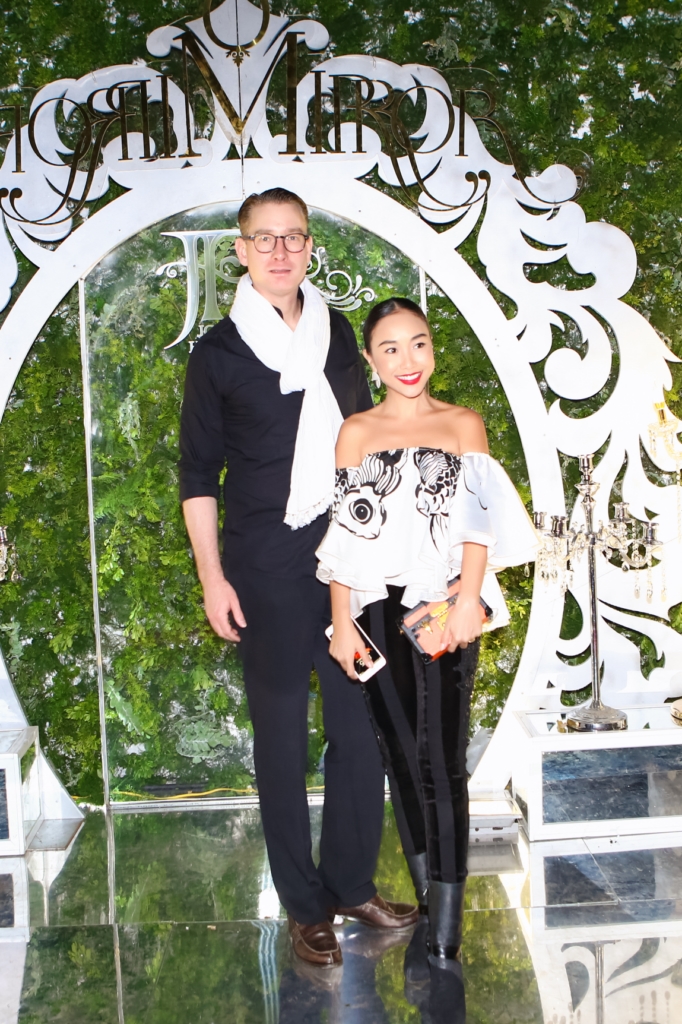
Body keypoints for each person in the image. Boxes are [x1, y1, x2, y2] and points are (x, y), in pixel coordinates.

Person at [179, 190, 418, 970]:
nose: (280, 251)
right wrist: (213, 578)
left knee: (360, 731)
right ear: (241, 251)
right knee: (281, 741)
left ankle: (351, 884)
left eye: (294, 237)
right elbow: (197, 475)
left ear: (310, 247)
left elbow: (368, 442)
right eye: (265, 239)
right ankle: (304, 906)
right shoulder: (217, 355)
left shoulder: (338, 332)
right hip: (265, 570)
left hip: (349, 562)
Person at [316, 297, 538, 1015]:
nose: (407, 361)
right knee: (401, 756)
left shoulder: (462, 424)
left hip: (442, 604)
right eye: (390, 349)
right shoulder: (356, 432)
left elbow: (477, 525)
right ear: (371, 360)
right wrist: (341, 622)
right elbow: (348, 534)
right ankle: (428, 899)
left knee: (441, 760)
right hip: (376, 611)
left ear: (432, 348)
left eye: (418, 344)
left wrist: (468, 599)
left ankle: (446, 932)